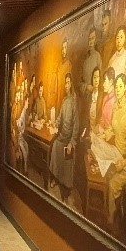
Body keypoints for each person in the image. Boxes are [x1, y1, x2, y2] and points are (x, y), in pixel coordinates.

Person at [102, 74, 126, 227]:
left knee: (112, 184)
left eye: (120, 87)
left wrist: (124, 161)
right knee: (104, 175)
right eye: (116, 86)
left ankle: (112, 220)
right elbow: (113, 129)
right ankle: (109, 211)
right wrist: (104, 134)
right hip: (116, 156)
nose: (117, 90)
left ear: (125, 88)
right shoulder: (116, 108)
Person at [49, 73, 79, 202]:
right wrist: (55, 123)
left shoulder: (73, 101)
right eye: (65, 83)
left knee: (67, 155)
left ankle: (65, 187)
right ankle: (56, 178)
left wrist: (72, 141)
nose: (66, 85)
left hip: (69, 139)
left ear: (71, 84)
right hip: (62, 136)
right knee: (55, 146)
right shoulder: (65, 100)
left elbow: (76, 124)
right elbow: (60, 117)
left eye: (68, 82)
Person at [80, 27, 102, 97]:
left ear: (96, 39)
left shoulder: (97, 56)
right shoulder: (84, 58)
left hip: (95, 94)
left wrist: (94, 88)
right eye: (89, 39)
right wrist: (86, 86)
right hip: (84, 95)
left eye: (93, 38)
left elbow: (100, 77)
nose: (91, 41)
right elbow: (79, 82)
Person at [98, 67, 117, 134]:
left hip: (111, 136)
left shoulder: (115, 100)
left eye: (105, 81)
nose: (103, 85)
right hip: (103, 132)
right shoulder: (105, 98)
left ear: (111, 81)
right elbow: (102, 119)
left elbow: (115, 127)